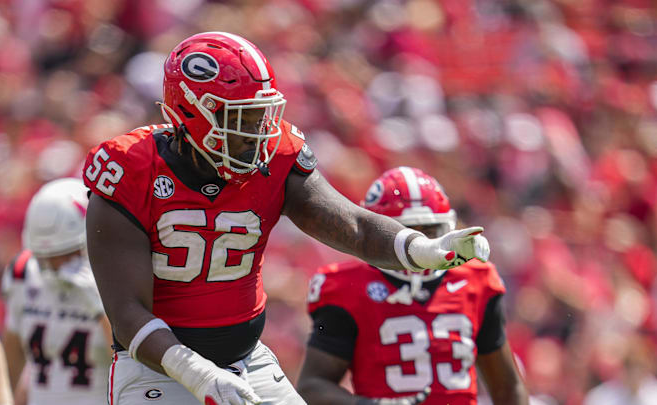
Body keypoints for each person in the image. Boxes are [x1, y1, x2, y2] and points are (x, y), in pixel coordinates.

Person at [82, 32, 491, 405]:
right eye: (241, 118)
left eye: (261, 115)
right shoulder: (130, 170)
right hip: (159, 369)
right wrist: (198, 374)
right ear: (192, 113)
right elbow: (127, 313)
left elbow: (354, 225)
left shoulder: (275, 157)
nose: (258, 131)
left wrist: (424, 249)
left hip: (247, 361)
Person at [296, 167, 529, 405]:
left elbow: (507, 387)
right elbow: (312, 386)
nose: (421, 244)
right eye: (406, 232)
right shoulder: (349, 287)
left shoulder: (475, 280)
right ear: (377, 234)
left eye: (430, 232)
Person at [1, 178, 113, 405]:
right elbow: (13, 352)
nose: (53, 265)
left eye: (64, 253)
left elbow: (132, 361)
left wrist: (101, 307)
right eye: (45, 257)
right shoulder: (23, 272)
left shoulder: (112, 276)